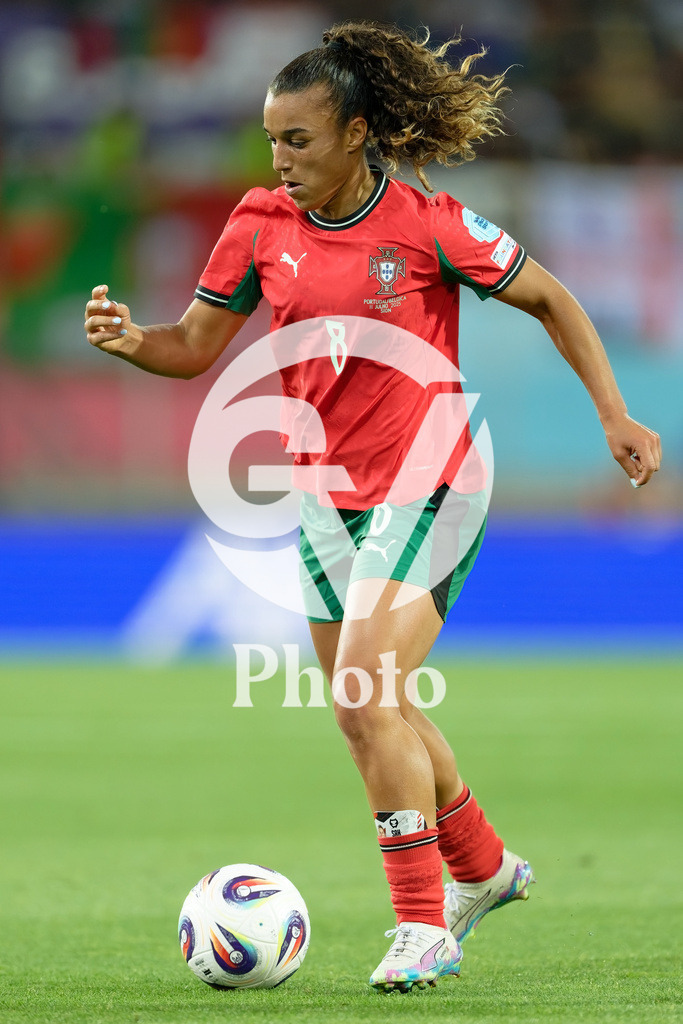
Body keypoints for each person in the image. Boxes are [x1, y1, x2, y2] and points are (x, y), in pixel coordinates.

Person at [84, 21, 661, 993]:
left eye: (298, 139)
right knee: (368, 707)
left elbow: (553, 299)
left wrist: (613, 414)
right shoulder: (258, 224)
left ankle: (421, 925)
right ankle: (480, 867)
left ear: (354, 132)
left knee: (361, 688)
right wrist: (129, 337)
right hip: (323, 492)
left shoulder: (430, 223)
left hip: (431, 475)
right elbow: (191, 343)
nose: (281, 158)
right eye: (272, 140)